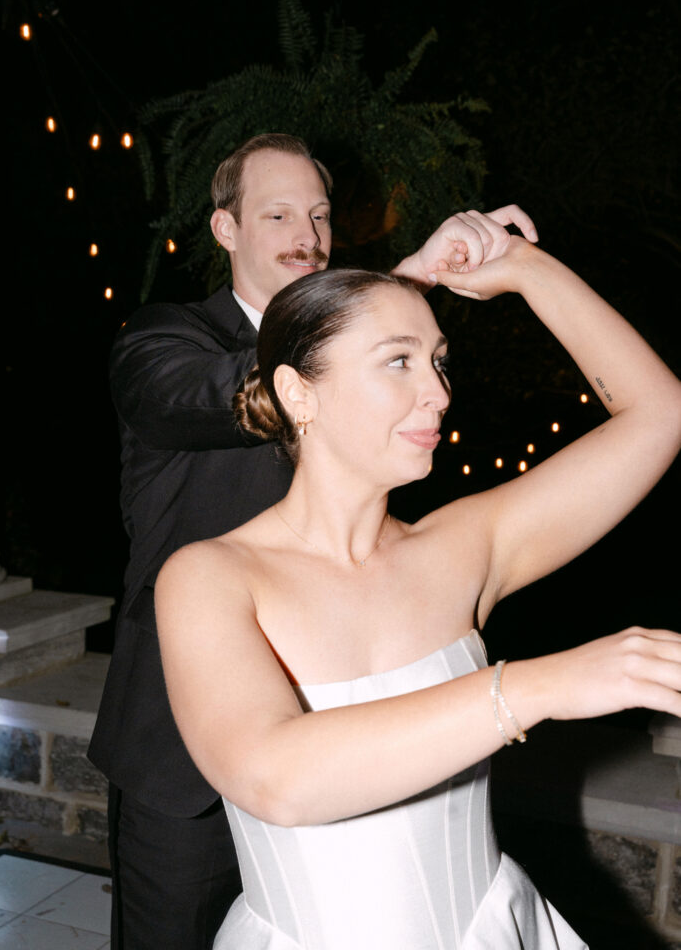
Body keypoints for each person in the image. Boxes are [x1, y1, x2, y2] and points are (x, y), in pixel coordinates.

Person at [155, 223, 681, 949]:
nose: (436, 392)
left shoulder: (461, 548)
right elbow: (275, 778)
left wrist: (526, 268)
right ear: (296, 393)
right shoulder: (211, 577)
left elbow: (659, 417)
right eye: (397, 362)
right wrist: (540, 685)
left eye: (437, 362)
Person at [88, 131, 538, 949]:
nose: (309, 233)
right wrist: (402, 285)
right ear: (225, 229)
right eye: (279, 212)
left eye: (321, 214)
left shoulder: (372, 368)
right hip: (178, 756)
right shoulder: (162, 339)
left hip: (339, 734)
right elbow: (218, 395)